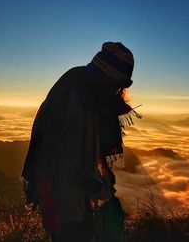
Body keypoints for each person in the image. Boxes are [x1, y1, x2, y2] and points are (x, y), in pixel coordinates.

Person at [21, 42, 140, 241]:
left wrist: (104, 180)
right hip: (62, 206)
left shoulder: (92, 97)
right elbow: (43, 157)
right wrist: (49, 211)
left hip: (83, 201)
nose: (118, 91)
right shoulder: (69, 97)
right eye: (116, 85)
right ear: (106, 79)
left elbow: (90, 150)